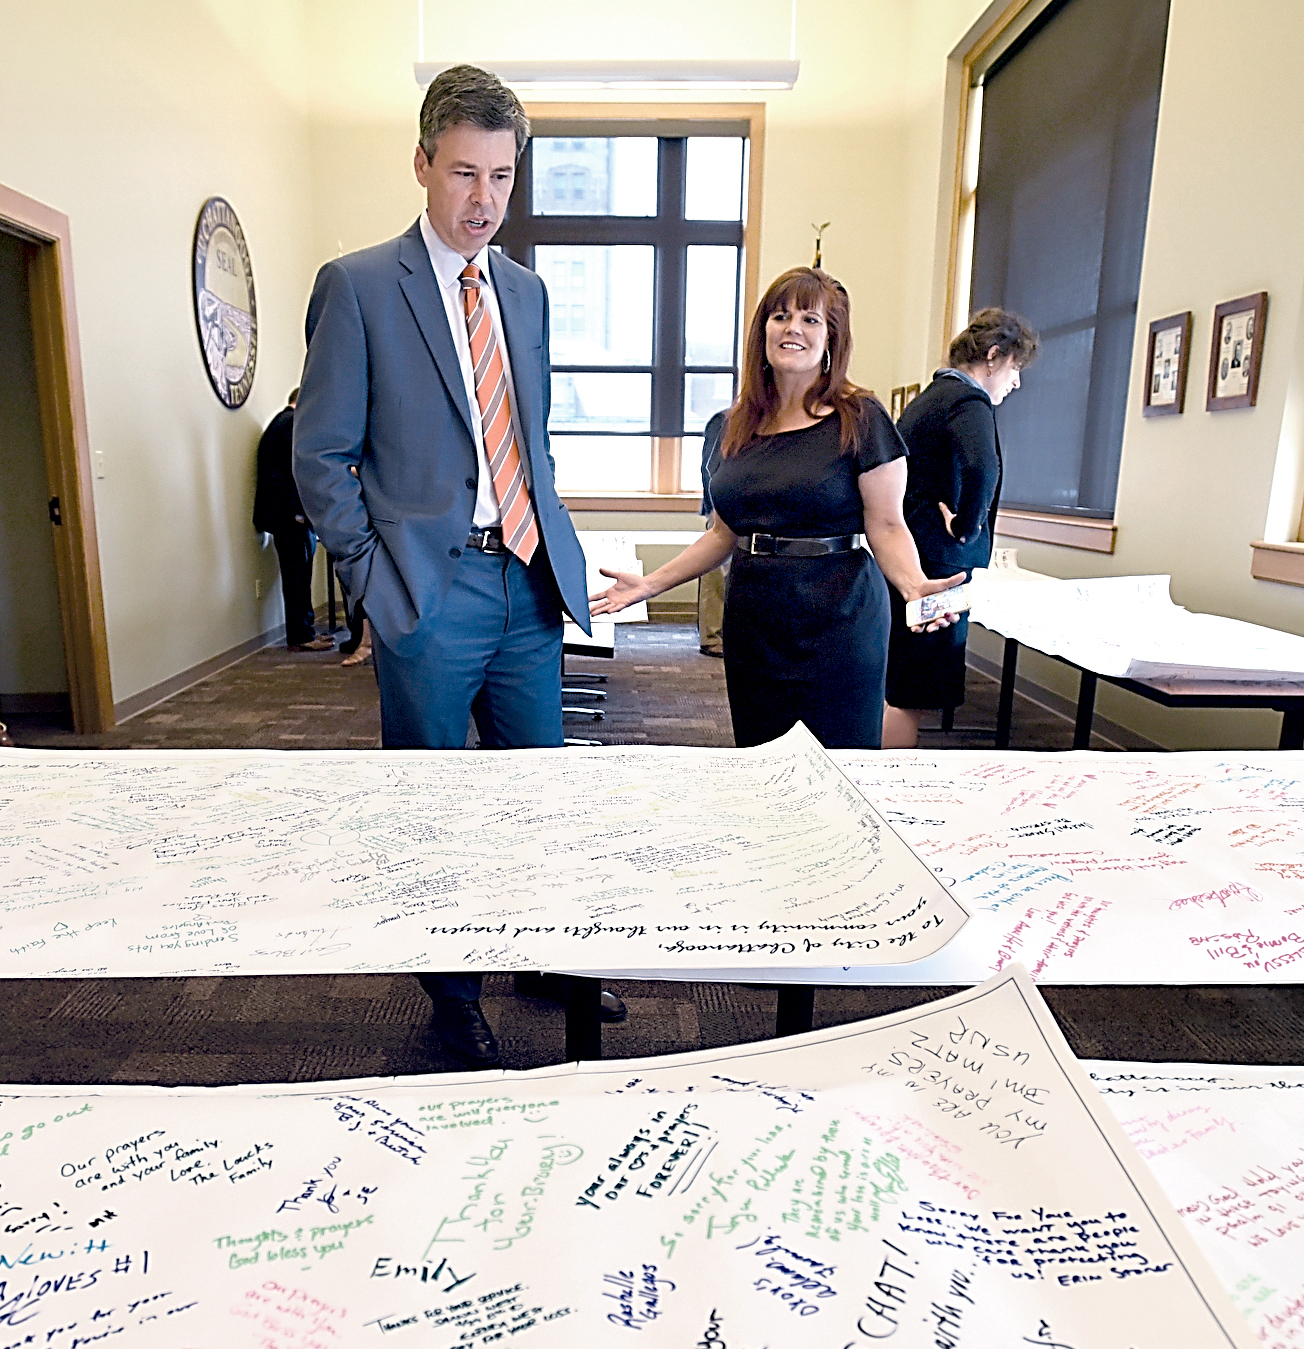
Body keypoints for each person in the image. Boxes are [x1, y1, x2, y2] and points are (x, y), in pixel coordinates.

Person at [292, 65, 603, 1068]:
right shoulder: (358, 285)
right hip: (430, 590)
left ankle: (546, 952)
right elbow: (320, 455)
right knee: (432, 807)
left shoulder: (527, 292)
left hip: (525, 580)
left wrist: (552, 545)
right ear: (423, 163)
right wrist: (379, 587)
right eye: (464, 173)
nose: (483, 201)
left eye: (502, 177)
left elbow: (532, 437)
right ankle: (452, 990)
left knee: (539, 795)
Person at [591, 267, 963, 749]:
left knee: (840, 755)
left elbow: (888, 525)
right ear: (762, 330)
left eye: (811, 319)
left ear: (832, 338)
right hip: (756, 613)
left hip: (841, 614)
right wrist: (651, 584)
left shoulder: (861, 417)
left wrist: (914, 586)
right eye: (781, 316)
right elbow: (722, 534)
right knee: (761, 754)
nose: (792, 329)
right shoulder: (733, 426)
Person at [882, 309, 1038, 748]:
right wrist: (968, 527)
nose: (1016, 382)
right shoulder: (966, 401)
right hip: (941, 569)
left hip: (917, 557)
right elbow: (982, 467)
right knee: (915, 685)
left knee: (903, 677)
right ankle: (893, 782)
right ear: (993, 356)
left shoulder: (931, 398)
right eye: (1015, 368)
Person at [254, 389, 334, 650]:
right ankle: (302, 636)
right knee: (297, 577)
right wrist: (300, 513)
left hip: (286, 517)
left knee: (299, 575)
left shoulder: (281, 423)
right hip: (290, 517)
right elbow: (294, 473)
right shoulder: (290, 425)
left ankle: (306, 630)